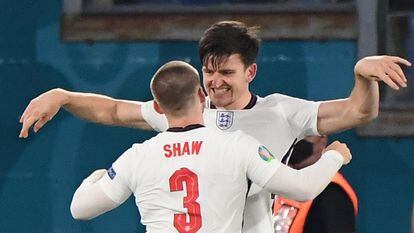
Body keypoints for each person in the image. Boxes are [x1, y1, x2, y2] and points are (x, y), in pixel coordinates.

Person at [19, 21, 410, 233]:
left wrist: (363, 77)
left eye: (227, 72)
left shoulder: (281, 112)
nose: (216, 81)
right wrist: (65, 96)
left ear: (251, 72)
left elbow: (358, 113)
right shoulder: (187, 116)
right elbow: (113, 111)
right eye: (209, 71)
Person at [70, 61, 352, 233]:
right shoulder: (238, 146)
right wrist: (333, 157)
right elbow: (302, 188)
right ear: (202, 95)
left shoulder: (138, 156)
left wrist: (94, 177)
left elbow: (80, 209)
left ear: (156, 106)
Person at [274, 136, 358, 233]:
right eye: (298, 135)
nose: (299, 141)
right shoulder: (285, 181)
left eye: (307, 136)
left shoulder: (332, 191)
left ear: (322, 141)